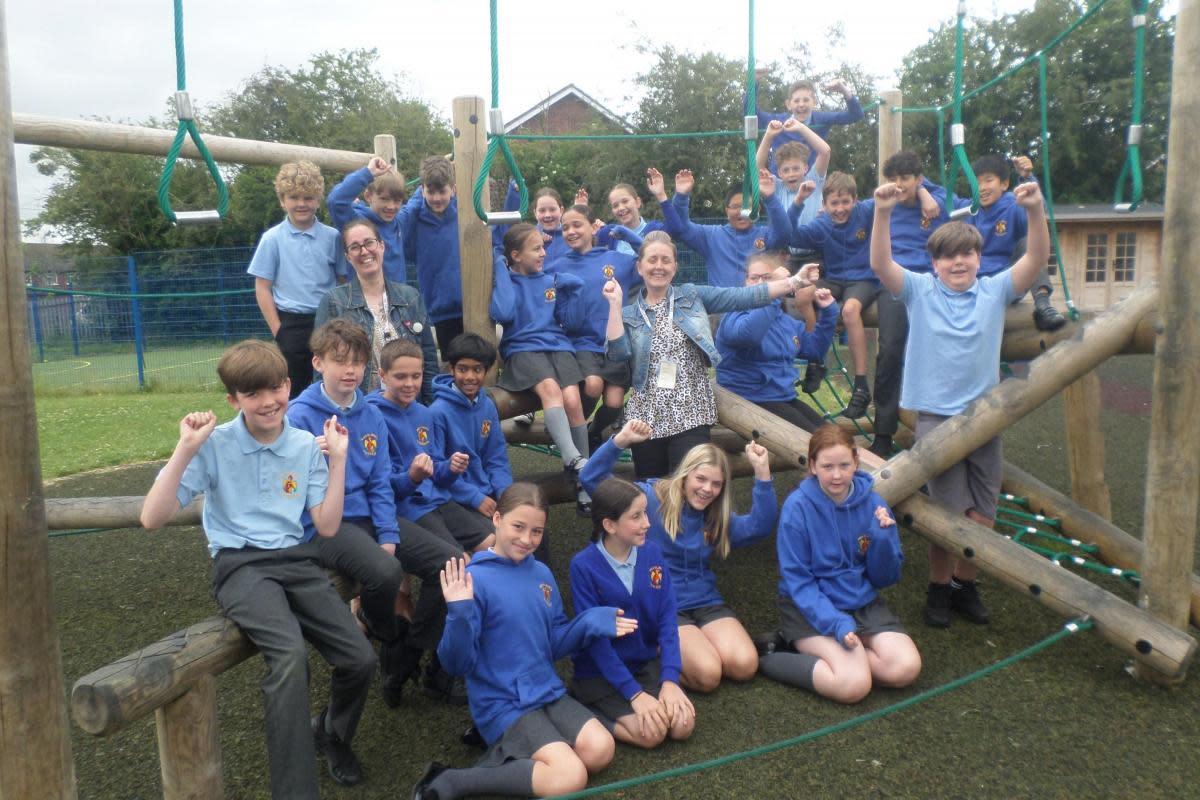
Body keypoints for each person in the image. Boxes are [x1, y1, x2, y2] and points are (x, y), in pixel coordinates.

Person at [139, 340, 375, 796]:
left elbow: (325, 526)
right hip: (241, 564)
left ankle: (332, 734)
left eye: (275, 389)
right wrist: (185, 448)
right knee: (289, 657)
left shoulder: (305, 444)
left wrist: (340, 461)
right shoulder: (215, 444)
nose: (267, 402)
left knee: (360, 658)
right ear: (233, 400)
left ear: (288, 385)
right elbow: (151, 518)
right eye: (252, 394)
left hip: (297, 559)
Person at [870, 178, 1051, 627]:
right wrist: (882, 213)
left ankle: (963, 585)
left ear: (978, 258)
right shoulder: (919, 291)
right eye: (949, 256)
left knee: (983, 513)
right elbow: (881, 263)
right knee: (948, 516)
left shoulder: (992, 291)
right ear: (934, 263)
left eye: (967, 254)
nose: (959, 262)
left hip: (984, 420)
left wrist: (1034, 212)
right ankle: (937, 587)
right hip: (936, 418)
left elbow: (1034, 260)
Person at [411, 483, 637, 800]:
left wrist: (589, 622)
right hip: (503, 702)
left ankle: (515, 758)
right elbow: (455, 663)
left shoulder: (542, 574)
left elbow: (553, 645)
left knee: (600, 750)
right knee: (570, 776)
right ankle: (450, 780)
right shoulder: (473, 579)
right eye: (518, 526)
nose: (527, 539)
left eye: (536, 531)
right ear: (497, 519)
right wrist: (459, 613)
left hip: (546, 692)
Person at [581, 420, 777, 693]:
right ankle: (654, 647)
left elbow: (759, 527)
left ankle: (691, 646)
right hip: (664, 607)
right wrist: (620, 441)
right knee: (708, 675)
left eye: (716, 484)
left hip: (706, 602)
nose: (707, 489)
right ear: (685, 475)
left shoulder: (715, 516)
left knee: (744, 665)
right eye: (700, 479)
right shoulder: (651, 499)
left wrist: (763, 474)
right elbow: (591, 479)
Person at [602, 230, 814, 479]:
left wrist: (795, 282)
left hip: (691, 413)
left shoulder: (692, 296)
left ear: (675, 266)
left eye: (666, 260)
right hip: (646, 417)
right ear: (640, 267)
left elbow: (744, 296)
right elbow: (616, 355)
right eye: (652, 260)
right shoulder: (629, 313)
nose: (659, 266)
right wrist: (615, 307)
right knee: (653, 491)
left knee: (689, 487)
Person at [368, 338, 495, 706]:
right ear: (382, 376)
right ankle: (425, 666)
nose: (409, 384)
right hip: (409, 509)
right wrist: (411, 476)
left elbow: (437, 473)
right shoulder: (374, 416)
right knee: (455, 569)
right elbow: (382, 485)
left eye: (416, 376)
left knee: (496, 545)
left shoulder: (423, 414)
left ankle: (477, 642)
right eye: (401, 377)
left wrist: (449, 469)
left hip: (440, 501)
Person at [758, 424, 921, 703]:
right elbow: (799, 582)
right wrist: (836, 624)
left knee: (905, 668)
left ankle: (834, 656)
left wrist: (882, 539)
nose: (836, 475)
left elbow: (885, 578)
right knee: (853, 685)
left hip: (861, 603)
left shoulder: (874, 503)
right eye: (827, 466)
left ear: (856, 462)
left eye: (844, 465)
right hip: (810, 608)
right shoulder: (797, 509)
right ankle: (769, 656)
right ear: (812, 466)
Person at [287, 319, 407, 680]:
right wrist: (306, 457)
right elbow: (288, 487)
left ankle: (412, 657)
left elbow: (380, 482)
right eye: (340, 361)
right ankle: (386, 631)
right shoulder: (299, 415)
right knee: (387, 572)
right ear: (318, 363)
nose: (351, 370)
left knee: (439, 557)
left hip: (367, 516)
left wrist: (388, 534)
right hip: (323, 523)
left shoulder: (370, 413)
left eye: (358, 361)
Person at [569, 477, 695, 749]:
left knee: (683, 725)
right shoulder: (583, 566)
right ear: (609, 525)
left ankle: (648, 696)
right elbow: (596, 641)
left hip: (643, 663)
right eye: (636, 516)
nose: (647, 523)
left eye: (646, 513)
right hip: (600, 673)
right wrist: (634, 694)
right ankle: (587, 708)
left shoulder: (652, 553)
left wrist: (670, 680)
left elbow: (667, 621)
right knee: (652, 734)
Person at [491, 223, 592, 514]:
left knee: (573, 399)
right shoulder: (508, 280)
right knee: (550, 390)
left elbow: (570, 324)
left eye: (543, 247)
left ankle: (581, 480)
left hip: (558, 348)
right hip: (523, 349)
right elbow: (504, 313)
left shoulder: (550, 281)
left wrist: (576, 292)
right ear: (516, 255)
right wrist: (500, 266)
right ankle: (575, 460)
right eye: (536, 248)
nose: (543, 253)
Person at [864, 150, 946, 457]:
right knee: (890, 350)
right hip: (895, 282)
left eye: (906, 179)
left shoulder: (937, 201)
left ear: (919, 179)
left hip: (930, 284)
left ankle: (932, 427)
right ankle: (883, 433)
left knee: (931, 350)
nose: (899, 185)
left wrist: (926, 193)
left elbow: (971, 205)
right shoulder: (884, 202)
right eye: (894, 179)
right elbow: (847, 209)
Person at [546, 204, 641, 451]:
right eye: (565, 227)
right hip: (582, 343)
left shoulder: (613, 260)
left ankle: (593, 432)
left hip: (615, 344)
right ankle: (573, 427)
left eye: (577, 225)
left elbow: (649, 258)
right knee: (592, 384)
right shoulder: (557, 266)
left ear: (592, 227)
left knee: (613, 402)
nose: (571, 231)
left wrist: (627, 234)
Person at [789, 172, 882, 421]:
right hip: (835, 277)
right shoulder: (823, 224)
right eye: (834, 203)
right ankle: (816, 357)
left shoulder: (867, 210)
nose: (840, 209)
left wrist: (926, 195)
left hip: (864, 279)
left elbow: (897, 190)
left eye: (845, 202)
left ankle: (861, 385)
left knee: (850, 311)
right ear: (824, 204)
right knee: (802, 295)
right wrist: (797, 203)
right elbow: (790, 234)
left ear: (855, 200)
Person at [248, 160, 344, 397]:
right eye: (293, 197)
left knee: (330, 385)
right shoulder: (272, 239)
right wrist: (278, 331)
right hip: (291, 323)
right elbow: (262, 287)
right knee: (295, 390)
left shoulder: (332, 237)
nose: (301, 204)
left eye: (308, 197)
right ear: (282, 200)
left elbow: (343, 281)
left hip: (328, 319)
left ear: (318, 199)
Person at [315, 219, 438, 400]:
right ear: (348, 257)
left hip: (408, 407)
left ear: (382, 246)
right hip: (360, 407)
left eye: (369, 242)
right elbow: (322, 368)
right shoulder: (334, 302)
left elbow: (428, 360)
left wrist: (430, 407)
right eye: (355, 247)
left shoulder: (410, 297)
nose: (364, 251)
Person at [714, 255, 838, 433]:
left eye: (768, 278)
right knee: (816, 440)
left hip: (781, 397)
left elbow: (814, 351)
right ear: (745, 282)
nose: (761, 283)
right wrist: (772, 295)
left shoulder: (785, 321)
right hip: (748, 399)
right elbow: (748, 335)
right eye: (754, 278)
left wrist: (829, 312)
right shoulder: (735, 314)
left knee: (831, 434)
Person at [961, 153, 1066, 332]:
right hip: (976, 285)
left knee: (1029, 243)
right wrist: (923, 192)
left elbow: (1037, 214)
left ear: (1004, 184)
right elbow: (939, 199)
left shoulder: (1013, 204)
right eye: (977, 182)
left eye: (988, 181)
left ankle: (1042, 304)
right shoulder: (968, 210)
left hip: (1009, 280)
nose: (982, 188)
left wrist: (1028, 178)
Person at [650, 166, 793, 288]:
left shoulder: (765, 235)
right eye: (735, 206)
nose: (741, 212)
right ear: (726, 210)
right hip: (722, 311)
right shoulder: (712, 235)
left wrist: (770, 197)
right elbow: (682, 229)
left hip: (757, 306)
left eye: (747, 207)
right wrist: (681, 196)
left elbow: (785, 232)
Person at [428, 333, 513, 524]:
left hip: (487, 491)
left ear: (487, 371)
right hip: (457, 497)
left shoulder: (488, 406)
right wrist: (475, 498)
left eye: (477, 370)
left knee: (524, 524)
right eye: (462, 369)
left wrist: (505, 493)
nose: (469, 377)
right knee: (498, 537)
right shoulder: (437, 412)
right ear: (451, 369)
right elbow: (436, 468)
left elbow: (496, 457)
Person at [399, 156, 470, 355]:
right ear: (422, 190)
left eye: (442, 191)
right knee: (453, 360)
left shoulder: (464, 212)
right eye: (431, 192)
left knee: (478, 360)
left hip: (473, 303)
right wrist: (416, 198)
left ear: (453, 189)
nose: (437, 198)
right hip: (441, 307)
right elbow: (403, 245)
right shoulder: (415, 218)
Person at [749, 75, 864, 171]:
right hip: (780, 184)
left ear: (814, 102)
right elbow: (750, 114)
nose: (801, 104)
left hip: (810, 183)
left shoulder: (821, 119)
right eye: (796, 101)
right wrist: (754, 82)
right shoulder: (778, 123)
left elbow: (856, 115)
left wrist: (843, 90)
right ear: (789, 104)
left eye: (806, 100)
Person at [326, 155, 410, 284]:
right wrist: (368, 173)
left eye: (397, 201)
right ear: (368, 196)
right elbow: (335, 201)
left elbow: (417, 202)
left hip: (396, 300)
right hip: (363, 299)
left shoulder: (398, 221)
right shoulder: (357, 222)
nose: (391, 206)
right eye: (384, 199)